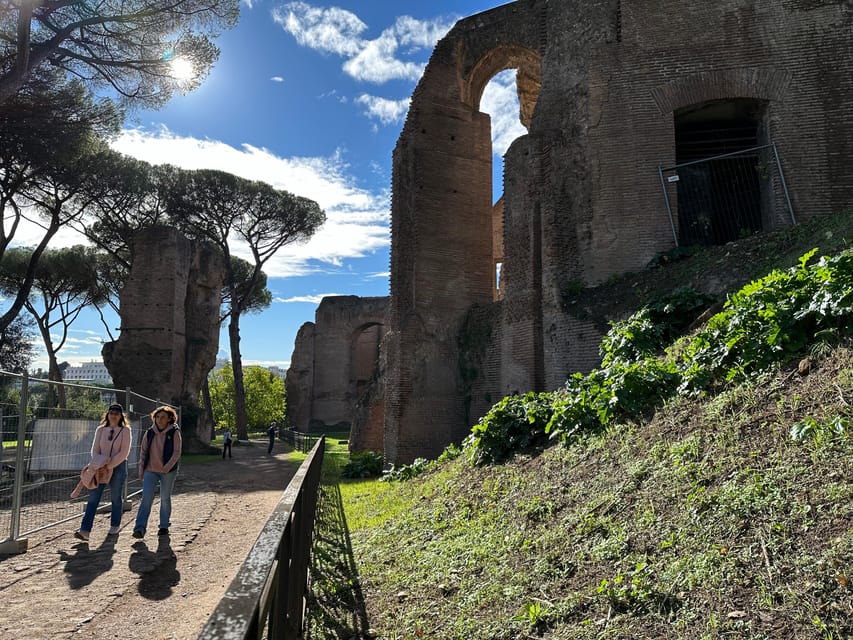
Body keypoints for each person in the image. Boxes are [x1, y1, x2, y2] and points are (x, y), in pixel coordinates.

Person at [74, 403, 132, 541]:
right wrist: (100, 463)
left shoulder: (125, 431)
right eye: (111, 413)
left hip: (117, 466)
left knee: (115, 497)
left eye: (116, 413)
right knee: (93, 498)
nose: (113, 416)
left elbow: (124, 452)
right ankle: (85, 530)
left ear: (120, 416)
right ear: (108, 414)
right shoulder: (101, 430)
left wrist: (110, 465)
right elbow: (95, 449)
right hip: (99, 466)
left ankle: (115, 524)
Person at [133, 405, 182, 539]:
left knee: (165, 498)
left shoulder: (174, 433)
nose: (160, 420)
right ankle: (139, 528)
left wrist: (167, 467)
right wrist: (141, 469)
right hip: (150, 470)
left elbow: (176, 452)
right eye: (157, 417)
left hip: (168, 471)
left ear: (169, 419)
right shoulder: (149, 433)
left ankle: (164, 526)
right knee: (146, 498)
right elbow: (143, 452)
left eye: (163, 417)